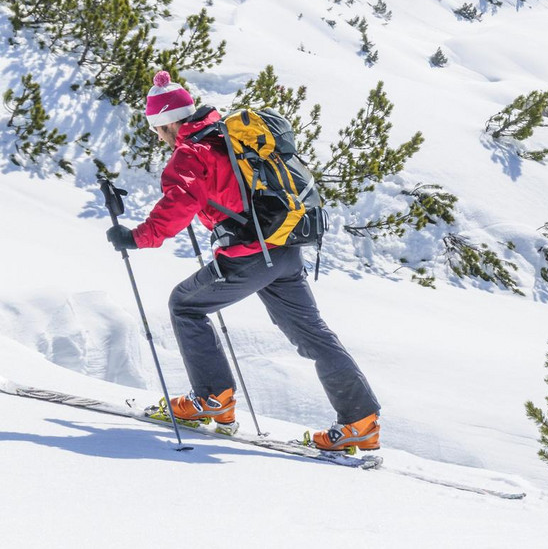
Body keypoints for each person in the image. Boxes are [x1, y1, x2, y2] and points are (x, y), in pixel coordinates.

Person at [105, 70, 381, 452]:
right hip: (284, 248)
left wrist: (137, 237)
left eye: (157, 128)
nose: (158, 136)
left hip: (250, 255)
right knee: (313, 335)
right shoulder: (227, 135)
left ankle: (213, 399)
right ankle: (360, 421)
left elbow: (177, 205)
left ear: (168, 122)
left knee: (184, 304)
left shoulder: (191, 153)